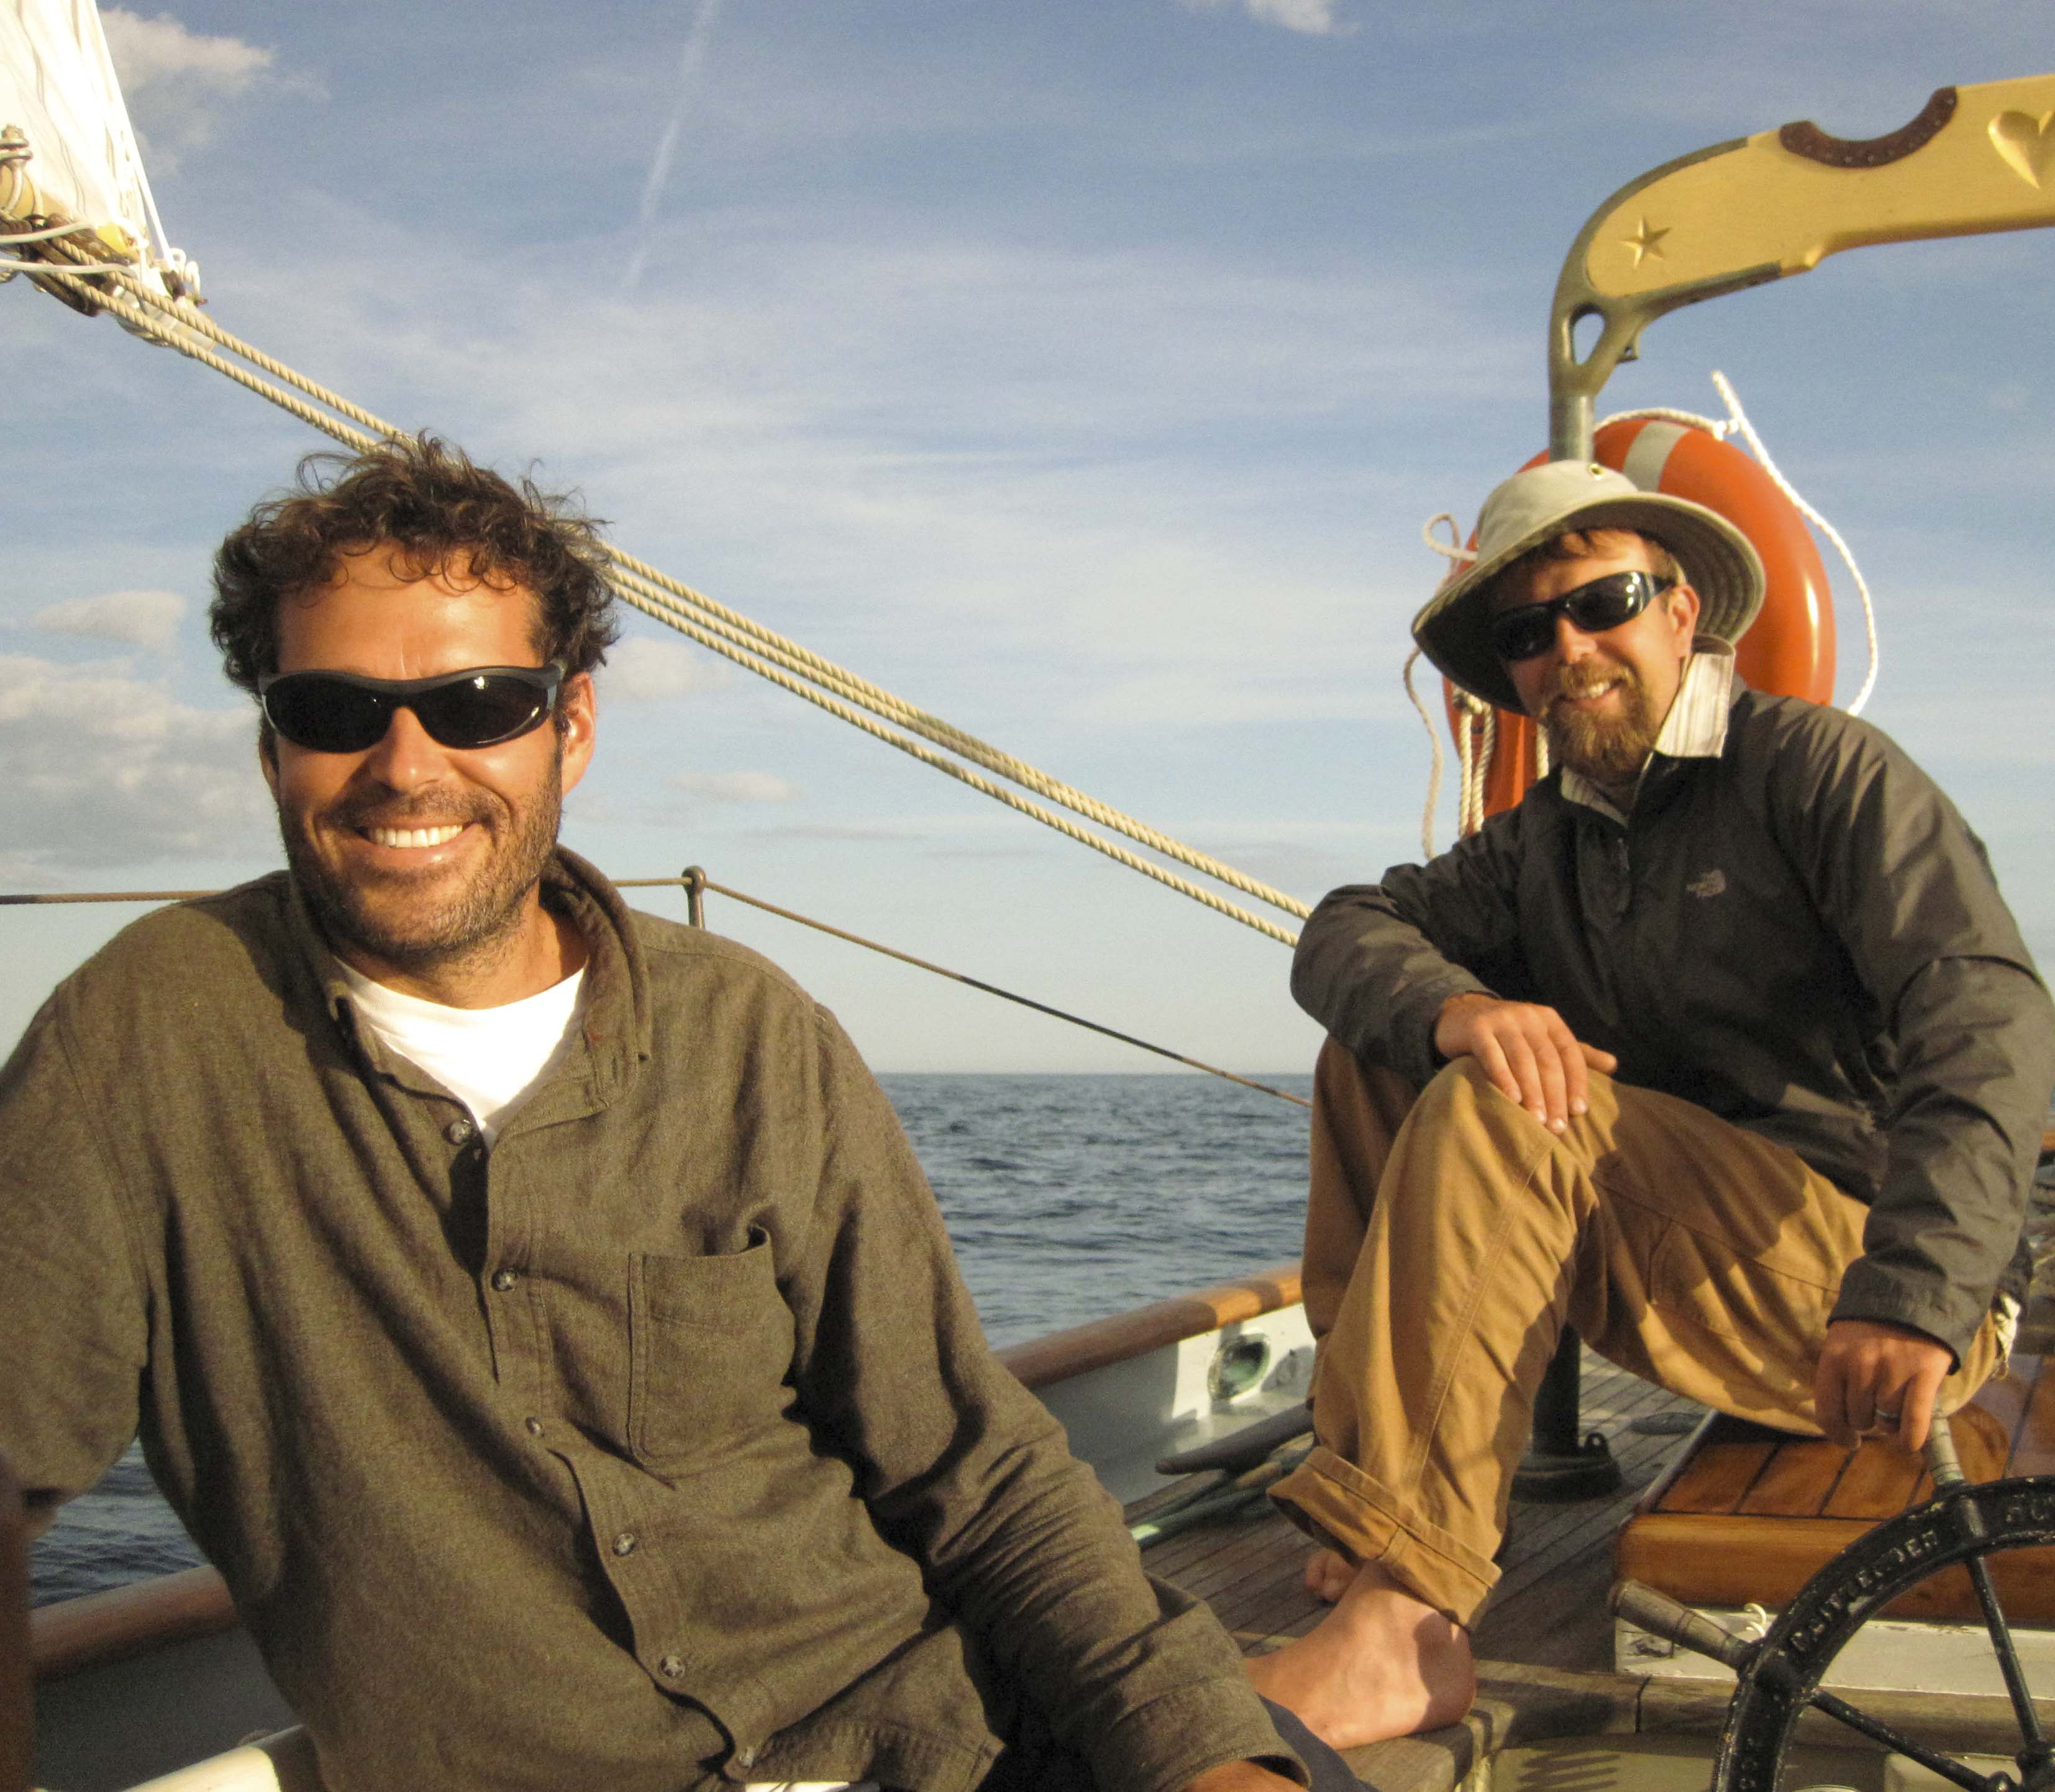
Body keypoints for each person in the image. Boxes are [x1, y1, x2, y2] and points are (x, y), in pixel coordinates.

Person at [0, 437, 1359, 1792]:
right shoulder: (147, 1040)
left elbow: (972, 1462)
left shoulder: (744, 1031)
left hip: (941, 1731)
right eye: (335, 708)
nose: (405, 765)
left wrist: (1201, 1755)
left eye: (478, 704)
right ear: (272, 747)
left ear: (571, 728)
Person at [1244, 460, 2055, 1748]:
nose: (1567, 649)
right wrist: (1458, 1007)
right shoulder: (1544, 842)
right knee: (1384, 1047)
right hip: (1706, 1262)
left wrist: (1918, 1290)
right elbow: (1346, 927)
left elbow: (1986, 1010)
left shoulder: (1815, 770)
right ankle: (1373, 1511)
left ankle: (1401, 1627)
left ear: (1682, 612)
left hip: (1872, 1299)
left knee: (1508, 1106)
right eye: (1528, 632)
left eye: (1601, 603)